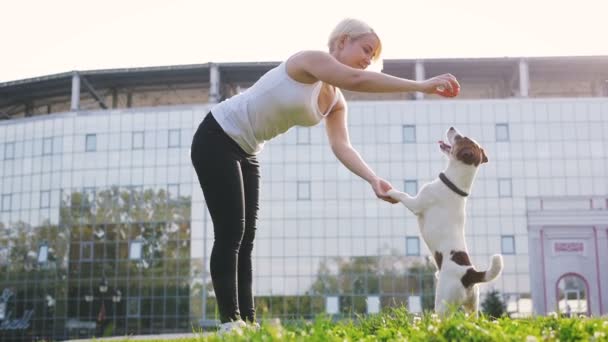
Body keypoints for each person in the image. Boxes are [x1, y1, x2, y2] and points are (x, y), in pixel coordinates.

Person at [190, 18, 460, 332]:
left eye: (373, 56)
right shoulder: (310, 60)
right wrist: (421, 85)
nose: (368, 60)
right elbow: (358, 79)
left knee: (246, 238)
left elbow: (342, 145)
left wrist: (372, 178)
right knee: (231, 232)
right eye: (366, 50)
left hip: (248, 149)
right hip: (217, 136)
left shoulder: (335, 99)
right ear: (342, 41)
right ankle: (228, 323)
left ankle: (247, 323)